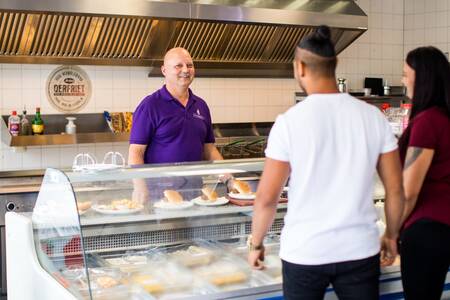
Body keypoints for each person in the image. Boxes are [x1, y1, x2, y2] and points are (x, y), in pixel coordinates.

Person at [247, 25, 405, 300]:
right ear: (335, 65)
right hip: (359, 250)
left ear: (300, 68)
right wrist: (391, 235)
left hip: (305, 252)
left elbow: (266, 198)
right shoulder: (372, 117)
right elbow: (395, 190)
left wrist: (256, 243)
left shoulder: (289, 123)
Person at [128, 47, 223, 200]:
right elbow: (135, 152)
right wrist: (140, 189)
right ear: (164, 70)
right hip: (160, 196)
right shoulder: (150, 105)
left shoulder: (201, 105)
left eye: (190, 65)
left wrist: (229, 177)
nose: (186, 70)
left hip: (195, 193)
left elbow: (209, 149)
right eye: (178, 66)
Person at [398, 46, 450, 300]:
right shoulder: (444, 116)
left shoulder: (428, 121)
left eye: (405, 73)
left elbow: (409, 191)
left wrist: (391, 231)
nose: (402, 80)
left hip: (427, 228)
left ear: (422, 78)